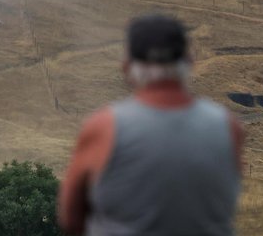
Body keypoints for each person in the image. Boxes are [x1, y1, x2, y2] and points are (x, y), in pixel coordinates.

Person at [58, 15, 244, 236]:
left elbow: (70, 218)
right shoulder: (228, 126)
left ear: (127, 66)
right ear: (189, 61)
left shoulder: (103, 127)